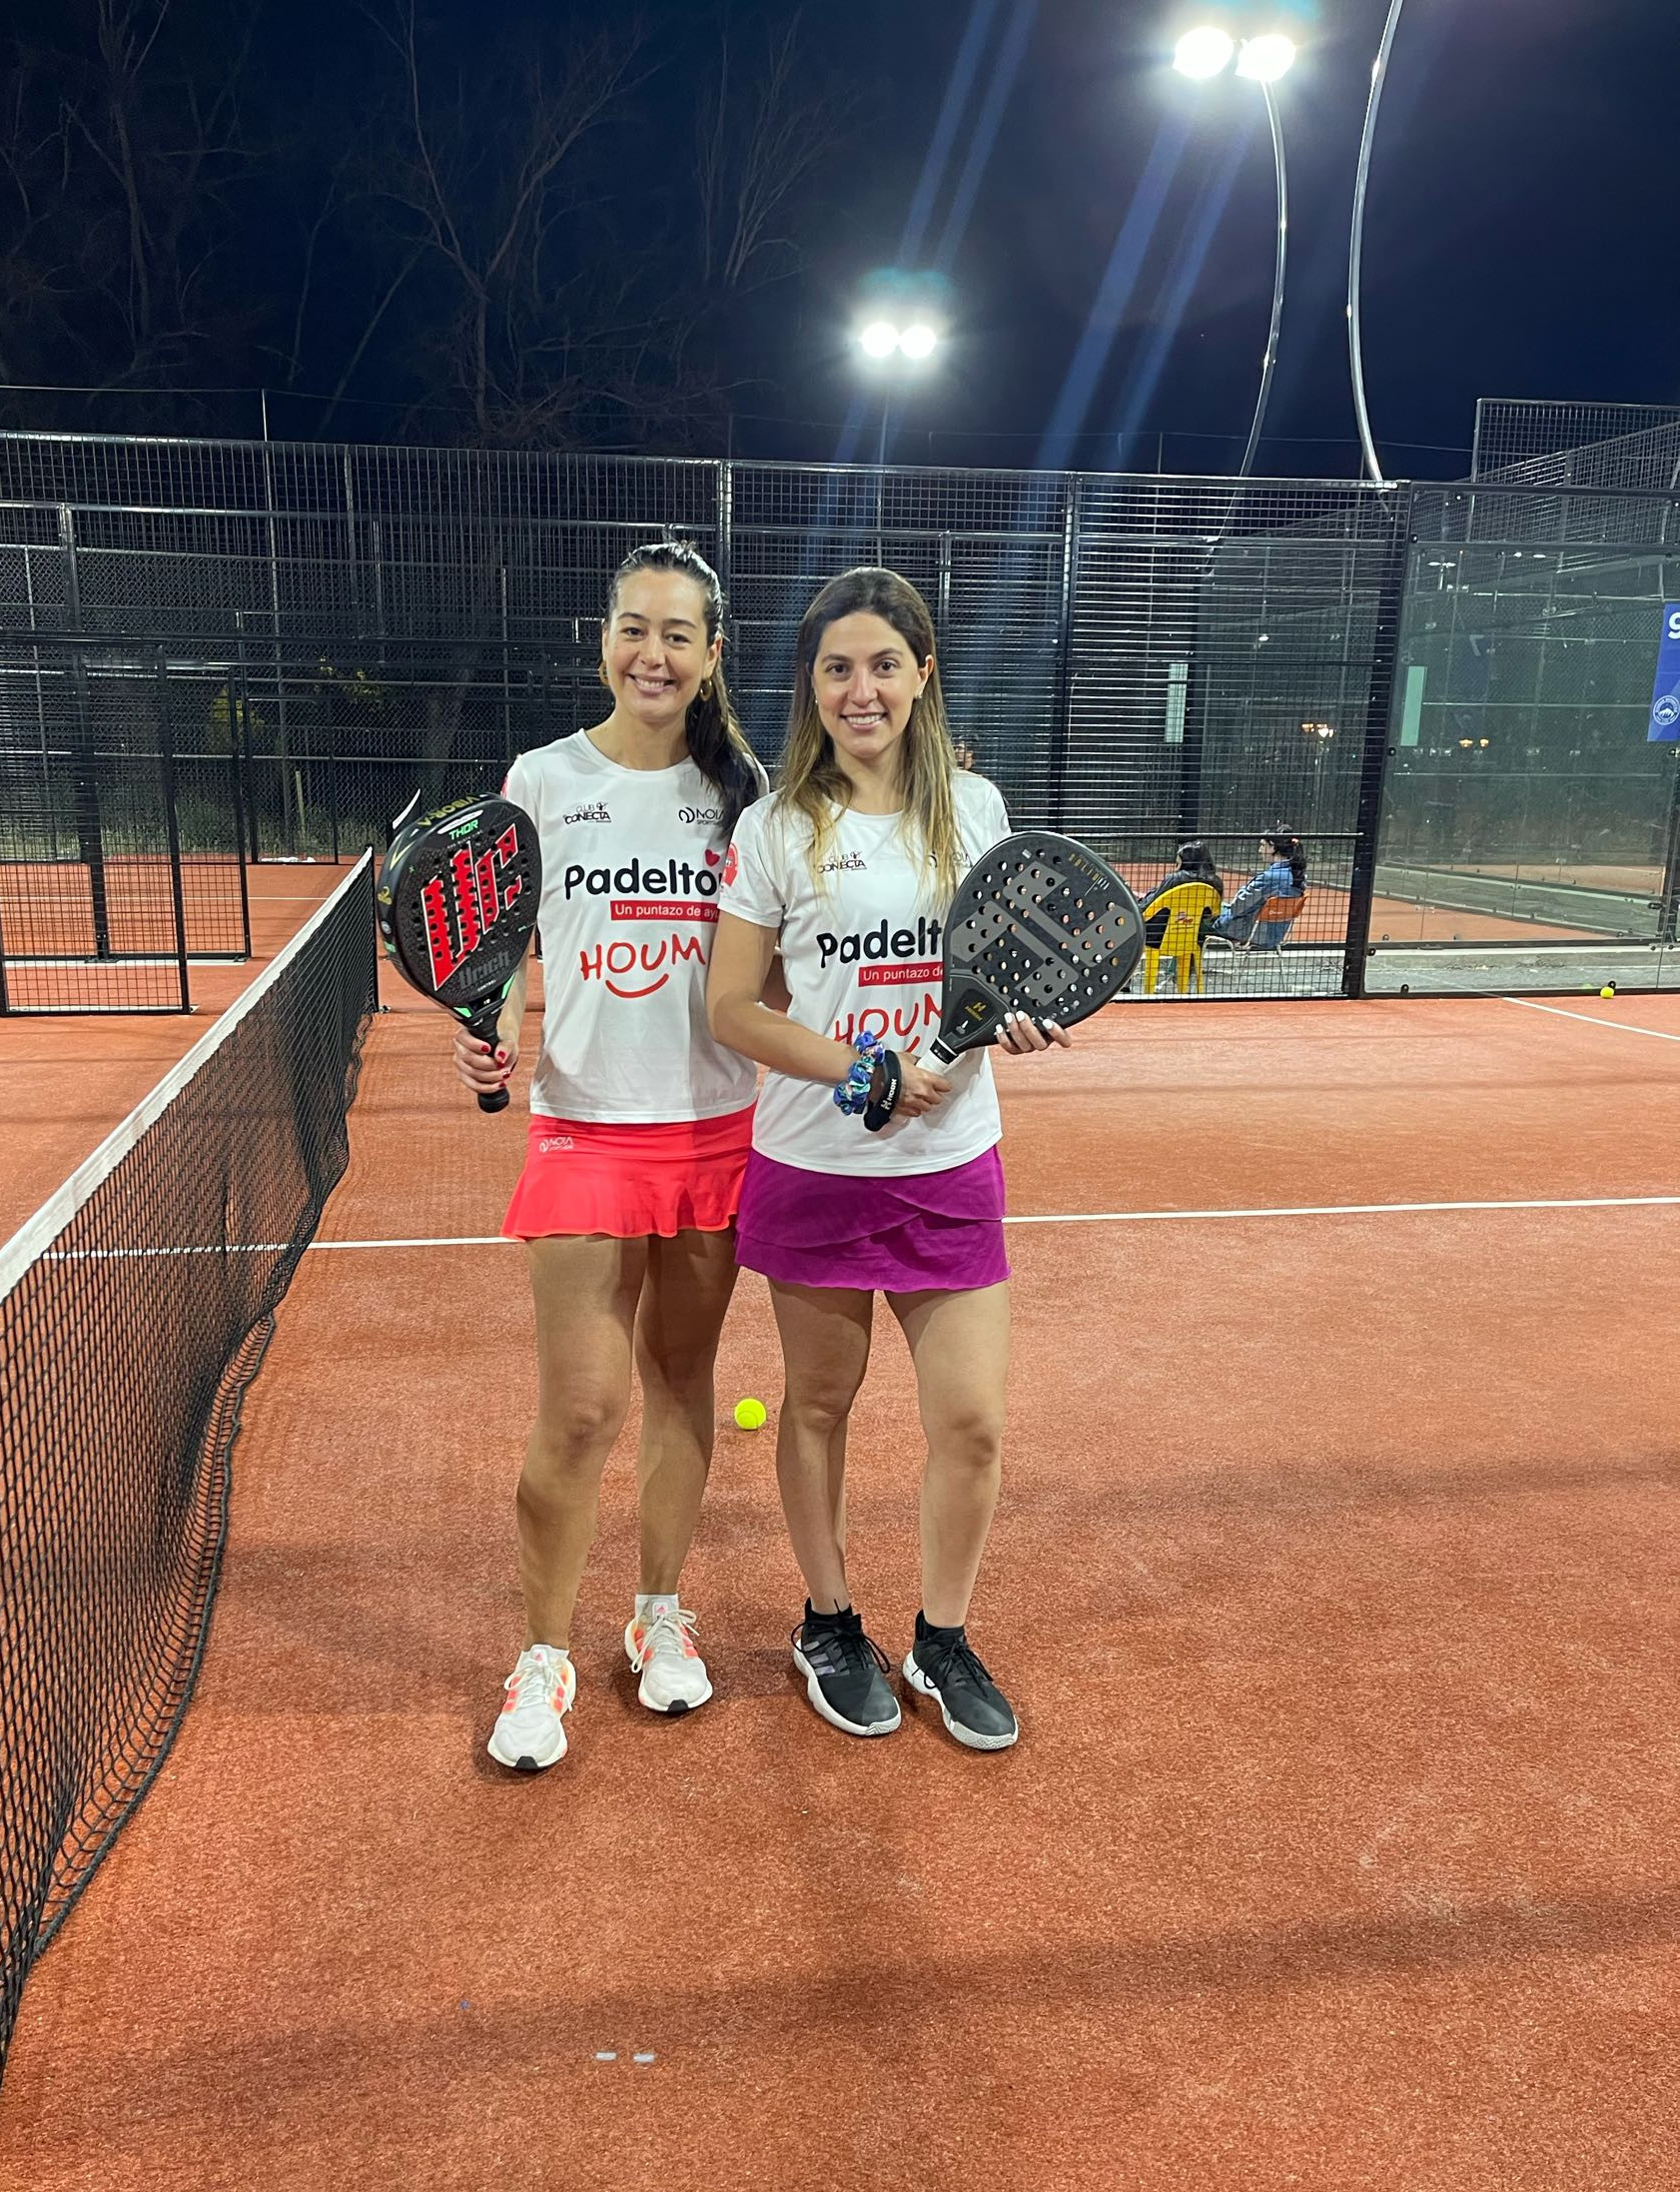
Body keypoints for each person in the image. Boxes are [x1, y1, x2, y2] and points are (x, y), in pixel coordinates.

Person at [707, 565, 1069, 1753]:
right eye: (837, 668)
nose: (859, 690)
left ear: (923, 677)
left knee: (972, 1422)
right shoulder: (774, 828)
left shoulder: (976, 809)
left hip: (951, 1161)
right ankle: (828, 1622)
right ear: (811, 686)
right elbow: (733, 1008)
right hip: (815, 1162)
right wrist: (859, 1070)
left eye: (882, 665)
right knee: (819, 1403)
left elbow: (1003, 966)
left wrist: (1015, 1017)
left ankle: (941, 1639)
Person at [451, 540, 764, 1774]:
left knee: (683, 1383)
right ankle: (541, 1655)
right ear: (603, 640)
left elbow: (770, 963)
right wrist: (489, 1033)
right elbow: (504, 952)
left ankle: (657, 1611)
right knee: (581, 1410)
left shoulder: (745, 794)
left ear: (710, 655)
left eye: (679, 634)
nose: (654, 653)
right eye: (636, 628)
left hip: (716, 1132)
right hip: (583, 1130)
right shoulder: (541, 779)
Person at [1211, 826, 1307, 948]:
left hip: (1248, 933)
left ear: (1273, 847)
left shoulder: (1269, 878)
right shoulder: (1299, 876)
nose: (1260, 850)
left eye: (1262, 845)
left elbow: (1237, 907)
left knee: (1205, 914)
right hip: (1276, 936)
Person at [1139, 839, 1224, 947]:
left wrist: (1139, 902)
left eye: (1178, 863)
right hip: (1194, 937)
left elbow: (1148, 907)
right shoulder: (1216, 882)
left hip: (1157, 937)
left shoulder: (1174, 879)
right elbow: (1213, 914)